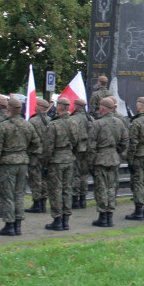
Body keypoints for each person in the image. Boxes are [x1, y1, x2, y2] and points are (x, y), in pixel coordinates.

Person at [0, 97, 40, 236]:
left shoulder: (3, 126)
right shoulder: (28, 125)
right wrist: (25, 153)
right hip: (23, 162)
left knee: (7, 194)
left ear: (8, 109)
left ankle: (9, 224)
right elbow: (36, 144)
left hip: (7, 163)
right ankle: (18, 224)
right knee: (19, 194)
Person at [88, 96, 129, 227]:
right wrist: (117, 153)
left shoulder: (97, 124)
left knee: (101, 188)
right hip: (114, 158)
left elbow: (91, 146)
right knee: (111, 188)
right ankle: (110, 216)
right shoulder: (120, 123)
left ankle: (103, 216)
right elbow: (125, 142)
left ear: (102, 108)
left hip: (100, 159)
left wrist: (91, 162)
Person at [44, 97, 81, 231]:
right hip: (69, 159)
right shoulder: (74, 123)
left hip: (56, 160)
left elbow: (48, 147)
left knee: (56, 190)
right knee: (67, 190)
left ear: (59, 108)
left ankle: (57, 219)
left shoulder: (54, 125)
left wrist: (45, 163)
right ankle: (66, 220)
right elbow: (77, 142)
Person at [25, 98, 51, 214]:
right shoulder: (51, 120)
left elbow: (28, 138)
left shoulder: (33, 121)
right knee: (45, 178)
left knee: (35, 178)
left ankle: (37, 202)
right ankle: (43, 202)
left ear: (40, 107)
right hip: (47, 154)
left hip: (35, 154)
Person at [70, 98, 91, 209]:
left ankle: (75, 198)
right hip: (87, 148)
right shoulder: (90, 118)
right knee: (84, 174)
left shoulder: (73, 119)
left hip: (77, 149)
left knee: (76, 174)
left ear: (76, 106)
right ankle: (83, 199)